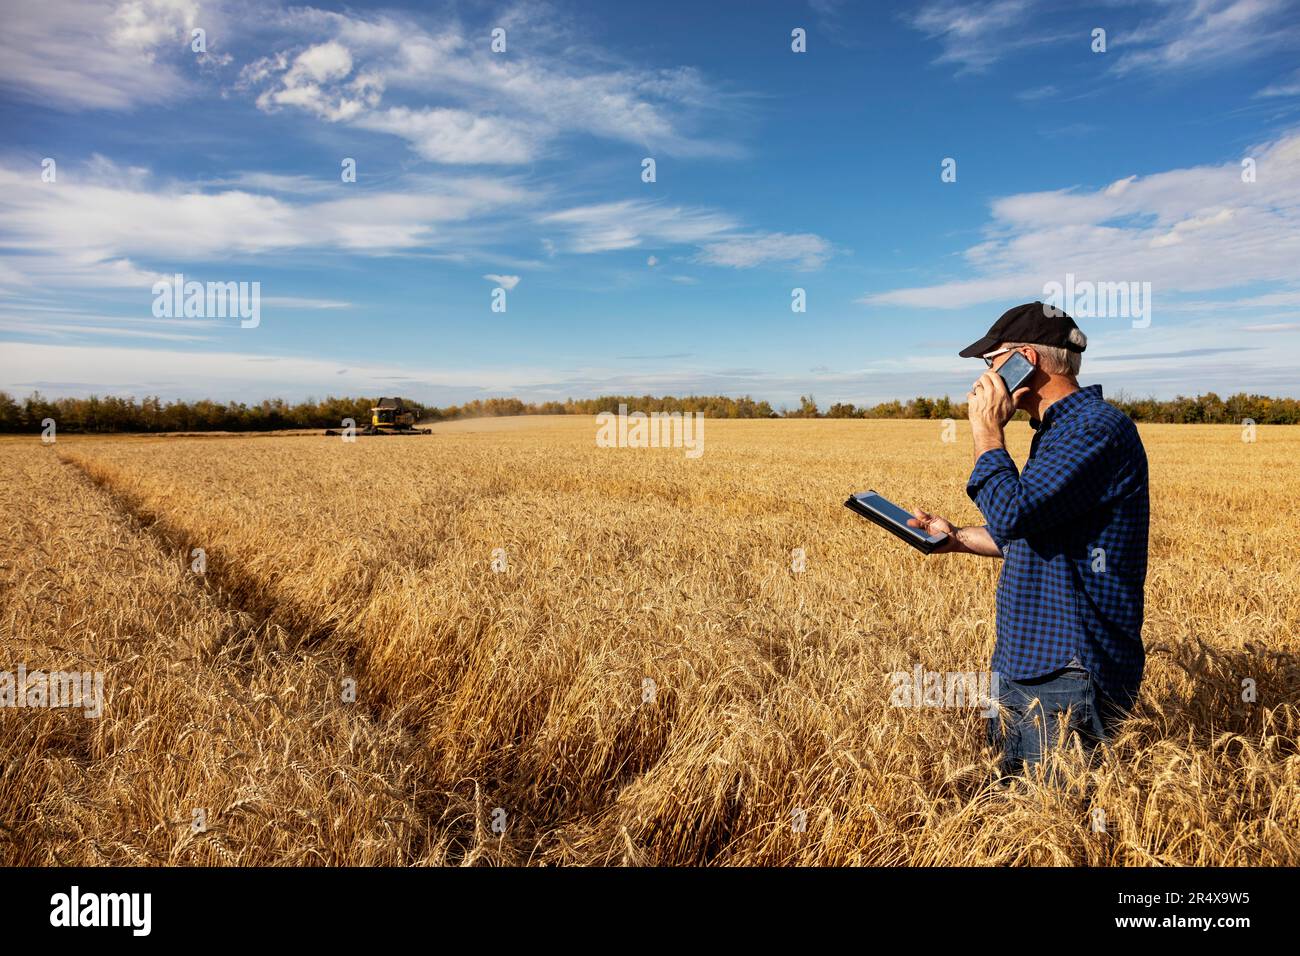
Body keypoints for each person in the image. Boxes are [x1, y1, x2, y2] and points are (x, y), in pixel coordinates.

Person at [908, 302, 1149, 780]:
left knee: (1055, 816)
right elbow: (1030, 529)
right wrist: (956, 538)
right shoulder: (1059, 430)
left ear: (1026, 359)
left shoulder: (1095, 429)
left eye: (992, 361)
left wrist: (986, 430)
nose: (985, 377)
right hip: (1030, 659)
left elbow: (1012, 512)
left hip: (1068, 667)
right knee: (1013, 809)